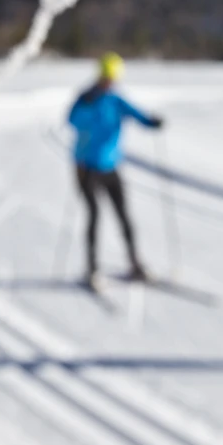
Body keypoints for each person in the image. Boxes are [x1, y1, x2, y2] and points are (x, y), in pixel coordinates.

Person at [67, 52, 164, 291]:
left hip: (111, 166)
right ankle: (92, 269)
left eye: (113, 78)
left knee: (124, 215)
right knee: (94, 215)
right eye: (107, 77)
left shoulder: (115, 100)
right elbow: (72, 120)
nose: (109, 82)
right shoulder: (85, 98)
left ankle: (134, 262)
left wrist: (151, 122)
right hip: (86, 167)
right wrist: (87, 108)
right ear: (100, 75)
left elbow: (136, 113)